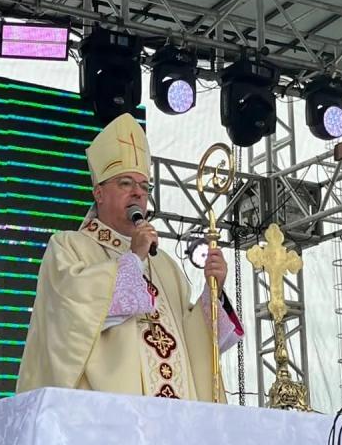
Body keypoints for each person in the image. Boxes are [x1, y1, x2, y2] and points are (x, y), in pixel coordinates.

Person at [17, 113, 244, 400]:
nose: (138, 193)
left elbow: (193, 340)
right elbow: (71, 320)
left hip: (174, 412)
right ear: (99, 193)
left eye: (145, 187)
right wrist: (134, 259)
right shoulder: (68, 247)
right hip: (107, 412)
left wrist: (214, 291)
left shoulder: (164, 264)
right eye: (125, 183)